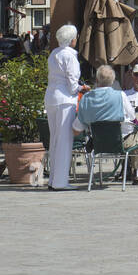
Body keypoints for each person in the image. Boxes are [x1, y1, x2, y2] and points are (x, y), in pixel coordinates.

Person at [44, 24, 83, 191]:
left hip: (51, 97)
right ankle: (60, 181)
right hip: (65, 99)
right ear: (72, 40)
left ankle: (54, 179)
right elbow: (73, 83)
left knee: (54, 139)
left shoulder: (54, 53)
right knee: (65, 140)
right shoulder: (70, 56)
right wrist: (82, 88)